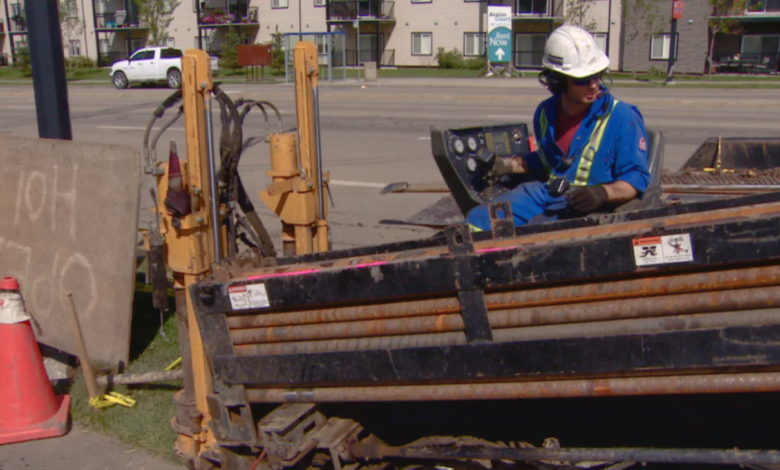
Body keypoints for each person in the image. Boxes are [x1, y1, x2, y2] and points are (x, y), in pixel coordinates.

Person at [466, 25, 650, 231]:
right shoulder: (545, 113)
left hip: (587, 207)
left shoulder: (623, 117)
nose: (593, 85)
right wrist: (507, 165)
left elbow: (636, 178)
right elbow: (548, 161)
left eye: (597, 75)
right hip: (548, 194)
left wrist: (601, 193)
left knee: (537, 234)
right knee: (478, 221)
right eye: (583, 79)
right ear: (558, 81)